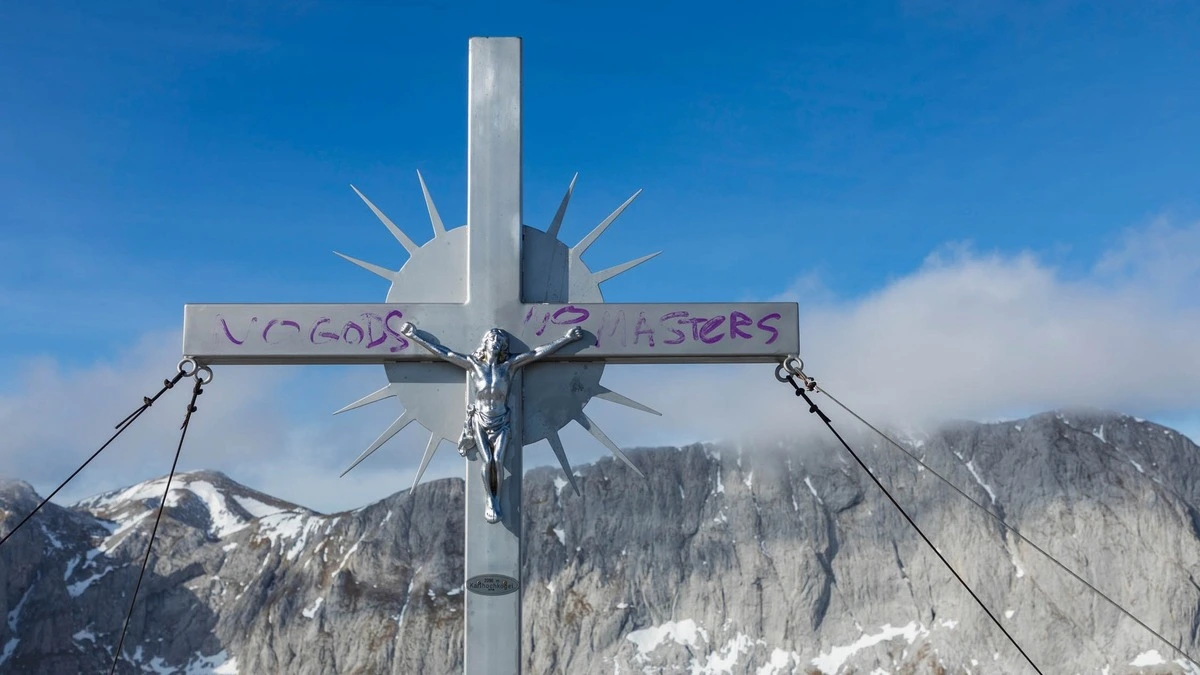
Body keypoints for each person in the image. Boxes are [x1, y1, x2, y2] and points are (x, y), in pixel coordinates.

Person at [399, 323, 584, 523]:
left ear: (503, 345)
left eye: (499, 340)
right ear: (485, 344)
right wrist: (416, 337)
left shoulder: (509, 366)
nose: (495, 342)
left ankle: (494, 498)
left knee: (498, 461)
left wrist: (567, 339)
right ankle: (492, 499)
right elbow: (446, 354)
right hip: (480, 419)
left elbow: (536, 353)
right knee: (488, 461)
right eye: (492, 339)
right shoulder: (474, 365)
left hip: (502, 420)